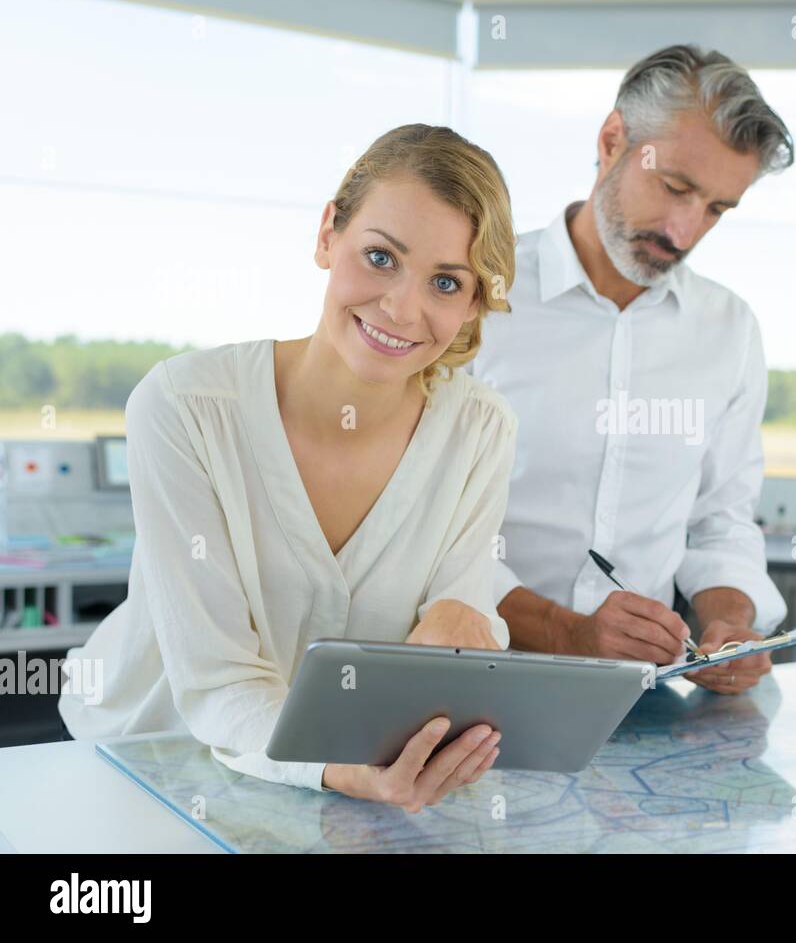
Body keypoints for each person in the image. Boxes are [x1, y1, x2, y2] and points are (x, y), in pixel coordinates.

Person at [59, 124, 517, 811]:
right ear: (328, 232)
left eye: (446, 281)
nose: (401, 308)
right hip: (150, 762)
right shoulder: (184, 407)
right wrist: (342, 762)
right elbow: (217, 684)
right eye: (381, 257)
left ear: (474, 303)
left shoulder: (482, 429)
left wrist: (465, 613)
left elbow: (458, 614)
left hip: (341, 789)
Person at [472, 45, 794, 695]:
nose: (685, 230)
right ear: (614, 140)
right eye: (675, 187)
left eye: (716, 209)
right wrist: (565, 632)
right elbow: (422, 531)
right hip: (476, 683)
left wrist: (728, 624)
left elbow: (720, 519)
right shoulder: (477, 292)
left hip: (641, 705)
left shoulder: (728, 330)